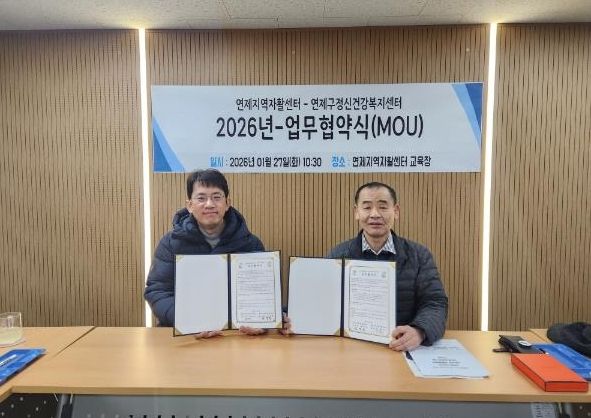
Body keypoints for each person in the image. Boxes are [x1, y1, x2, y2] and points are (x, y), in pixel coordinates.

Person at [327, 181, 448, 351]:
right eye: (367, 207)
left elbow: (435, 302)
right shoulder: (338, 256)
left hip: (400, 346)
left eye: (383, 207)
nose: (375, 214)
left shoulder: (419, 255)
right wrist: (295, 320)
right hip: (351, 348)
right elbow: (323, 302)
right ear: (356, 212)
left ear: (396, 211)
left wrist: (419, 331)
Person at [144, 169, 265, 337]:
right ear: (189, 205)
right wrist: (186, 320)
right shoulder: (171, 243)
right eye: (201, 198)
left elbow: (262, 294)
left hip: (236, 335)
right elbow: (158, 291)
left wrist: (262, 323)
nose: (209, 204)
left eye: (217, 197)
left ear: (227, 203)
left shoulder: (250, 243)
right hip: (185, 336)